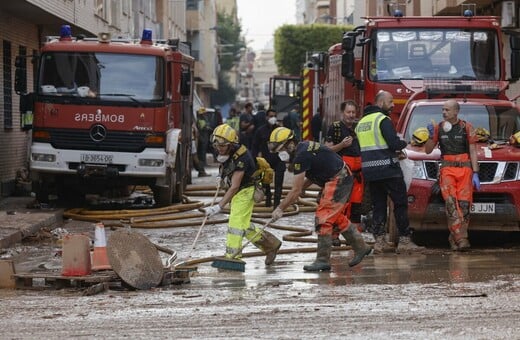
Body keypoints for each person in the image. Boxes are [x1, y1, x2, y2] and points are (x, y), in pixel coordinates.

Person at [268, 127, 372, 271]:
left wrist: (280, 209)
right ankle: (361, 247)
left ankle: (322, 260)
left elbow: (295, 190)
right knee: (334, 217)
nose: (280, 154)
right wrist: (303, 188)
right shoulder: (304, 148)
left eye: (281, 150)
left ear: (290, 144)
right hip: (340, 175)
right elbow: (315, 169)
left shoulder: (300, 156)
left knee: (323, 218)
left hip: (338, 178)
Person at [203, 124, 282, 266]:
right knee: (244, 225)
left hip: (246, 190)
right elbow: (225, 167)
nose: (219, 148)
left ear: (231, 144)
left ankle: (233, 257)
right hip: (239, 191)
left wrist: (218, 207)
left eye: (223, 146)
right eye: (217, 145)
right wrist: (220, 177)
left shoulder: (242, 157)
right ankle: (271, 245)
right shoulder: (226, 151)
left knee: (235, 223)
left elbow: (234, 187)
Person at [355, 91, 424, 254]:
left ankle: (379, 242)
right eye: (390, 101)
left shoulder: (361, 123)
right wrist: (404, 142)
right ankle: (405, 241)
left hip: (370, 172)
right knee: (400, 204)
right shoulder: (382, 120)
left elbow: (363, 148)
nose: (393, 105)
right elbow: (393, 144)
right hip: (388, 170)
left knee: (378, 205)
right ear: (380, 103)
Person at [420, 99, 480, 251]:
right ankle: (462, 239)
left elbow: (473, 151)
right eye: (443, 110)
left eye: (447, 110)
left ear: (456, 112)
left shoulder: (466, 127)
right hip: (447, 170)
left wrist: (476, 172)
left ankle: (454, 237)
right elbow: (427, 150)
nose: (444, 112)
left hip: (465, 170)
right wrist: (430, 136)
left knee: (465, 206)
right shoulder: (438, 128)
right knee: (451, 205)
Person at [325, 100, 366, 245]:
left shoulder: (359, 127)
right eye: (348, 112)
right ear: (343, 113)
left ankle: (354, 236)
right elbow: (327, 150)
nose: (351, 115)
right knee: (340, 204)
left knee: (356, 206)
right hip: (342, 173)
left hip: (358, 175)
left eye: (353, 112)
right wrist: (342, 145)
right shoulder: (335, 128)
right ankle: (335, 235)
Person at [251, 109, 286, 208]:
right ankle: (268, 199)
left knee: (279, 185)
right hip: (266, 161)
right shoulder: (260, 131)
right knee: (265, 183)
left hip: (279, 160)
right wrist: (255, 160)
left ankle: (277, 206)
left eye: (274, 115)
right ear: (266, 117)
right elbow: (255, 146)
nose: (273, 118)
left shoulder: (280, 130)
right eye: (271, 116)